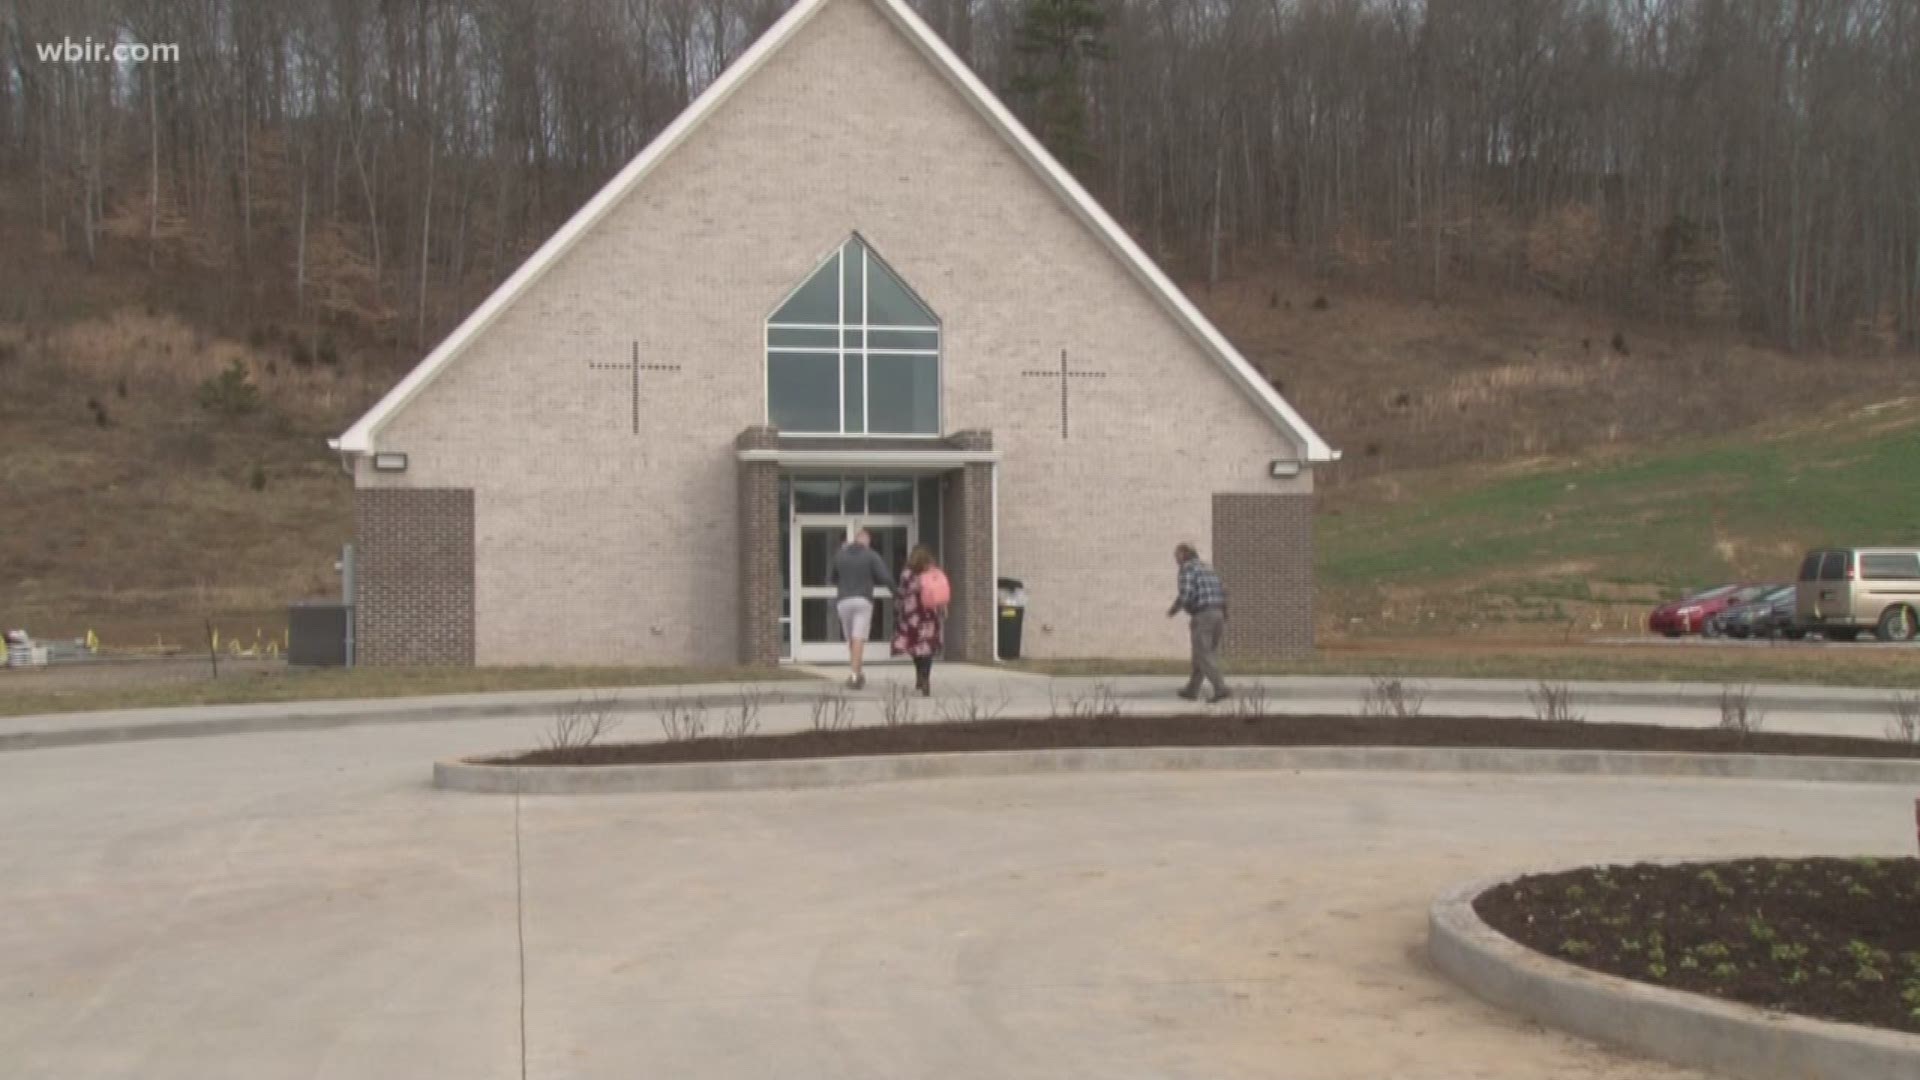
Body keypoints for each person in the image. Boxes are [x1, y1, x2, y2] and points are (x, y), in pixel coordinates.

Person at [1166, 542, 1231, 703]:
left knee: (1203, 654)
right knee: (1204, 654)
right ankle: (1192, 690)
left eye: (1176, 555)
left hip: (1203, 615)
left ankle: (1220, 688)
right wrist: (1225, 613)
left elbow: (1186, 594)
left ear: (1184, 554)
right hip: (1218, 614)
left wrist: (1174, 610)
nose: (1175, 559)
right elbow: (1224, 591)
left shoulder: (1187, 568)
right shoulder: (1208, 568)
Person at [829, 527, 892, 689]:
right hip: (863, 600)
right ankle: (855, 674)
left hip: (843, 601)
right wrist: (896, 592)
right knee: (858, 638)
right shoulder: (871, 555)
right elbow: (884, 577)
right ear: (867, 541)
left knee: (851, 638)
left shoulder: (840, 554)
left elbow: (830, 577)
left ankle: (857, 671)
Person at [891, 545, 946, 695]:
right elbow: (941, 591)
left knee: (916, 647)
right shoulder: (932, 573)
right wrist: (942, 609)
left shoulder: (907, 575)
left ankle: (919, 676)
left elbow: (901, 593)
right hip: (929, 615)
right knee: (927, 648)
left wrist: (897, 611)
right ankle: (925, 677)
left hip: (912, 616)